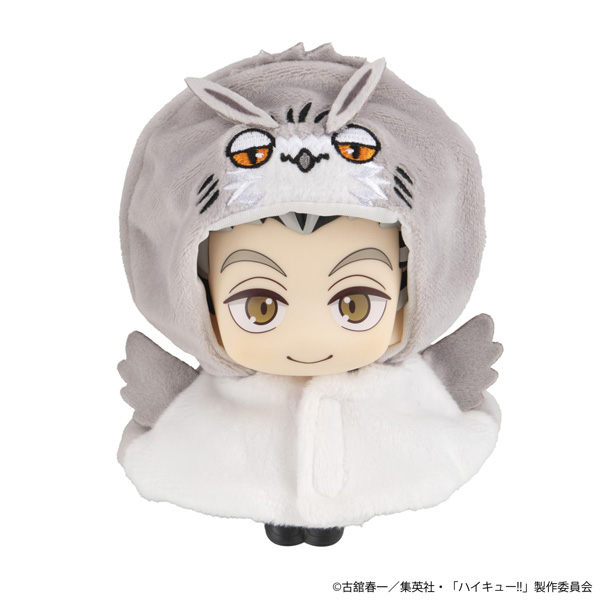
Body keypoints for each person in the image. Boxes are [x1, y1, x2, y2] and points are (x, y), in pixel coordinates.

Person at [118, 44, 502, 546]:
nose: (308, 335)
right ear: (198, 299)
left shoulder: (411, 405)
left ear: (411, 291)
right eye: (260, 306)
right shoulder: (210, 412)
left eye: (354, 304)